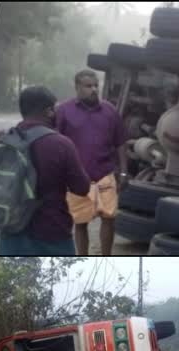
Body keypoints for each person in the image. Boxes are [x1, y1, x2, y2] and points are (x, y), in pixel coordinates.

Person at [0, 85, 90, 255]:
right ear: (48, 111)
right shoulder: (61, 144)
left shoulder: (2, 140)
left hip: (10, 233)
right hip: (52, 234)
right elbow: (82, 188)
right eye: (54, 109)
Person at [56, 70, 129, 256]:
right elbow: (56, 142)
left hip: (105, 172)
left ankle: (106, 257)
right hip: (76, 176)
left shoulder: (110, 111)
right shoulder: (64, 111)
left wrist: (123, 172)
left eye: (96, 85)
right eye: (88, 86)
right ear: (77, 88)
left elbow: (120, 142)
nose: (94, 89)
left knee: (109, 218)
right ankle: (83, 257)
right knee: (80, 221)